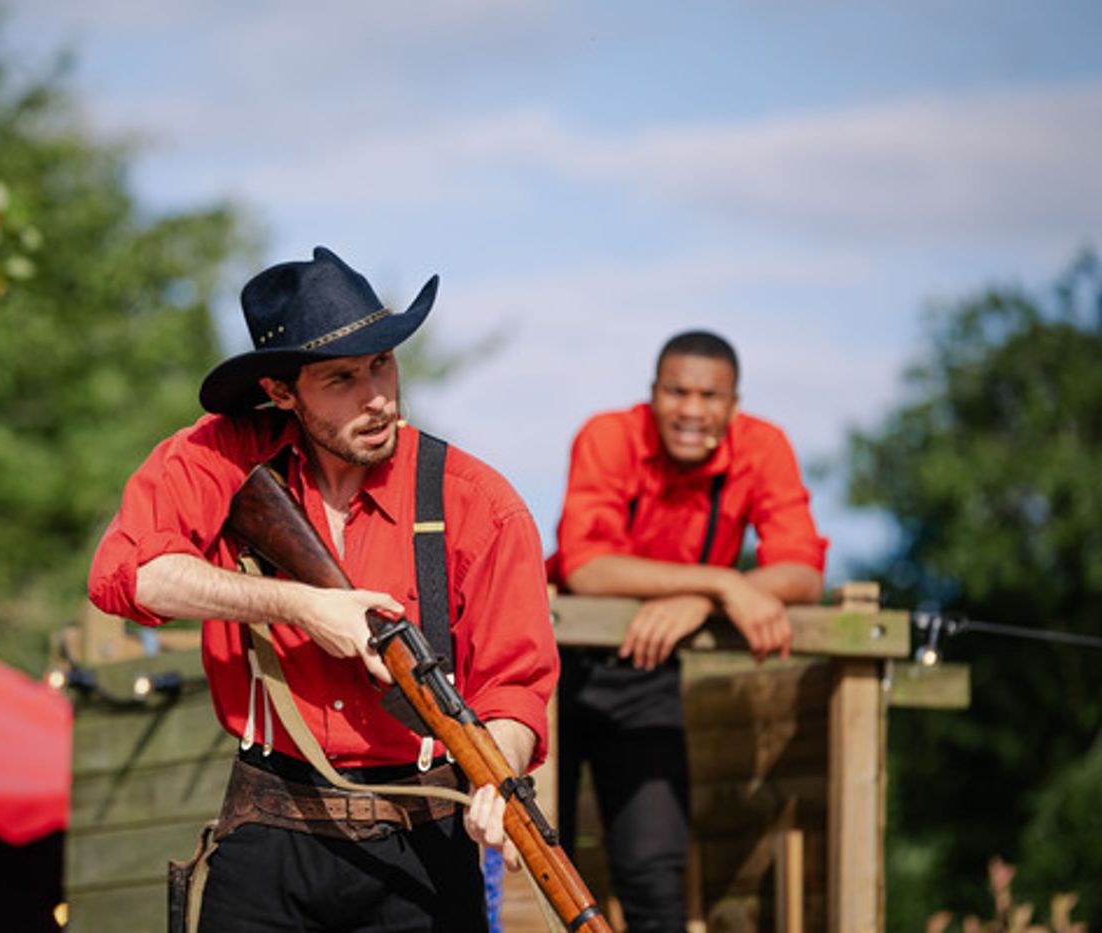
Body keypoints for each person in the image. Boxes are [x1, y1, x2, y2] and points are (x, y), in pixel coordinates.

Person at [88, 246, 558, 932]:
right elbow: (124, 574)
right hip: (268, 827)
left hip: (425, 839)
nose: (376, 396)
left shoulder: (481, 503)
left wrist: (499, 770)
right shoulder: (221, 456)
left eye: (382, 364)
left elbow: (515, 684)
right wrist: (303, 603)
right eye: (341, 378)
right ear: (281, 392)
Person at [551, 330, 827, 932]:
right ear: (653, 394)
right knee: (545, 854)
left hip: (650, 669)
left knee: (654, 869)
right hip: (554, 667)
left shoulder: (764, 446)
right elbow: (586, 566)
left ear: (733, 403)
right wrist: (723, 585)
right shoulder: (608, 436)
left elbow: (803, 571)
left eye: (710, 395)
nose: (692, 410)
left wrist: (699, 599)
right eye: (677, 391)